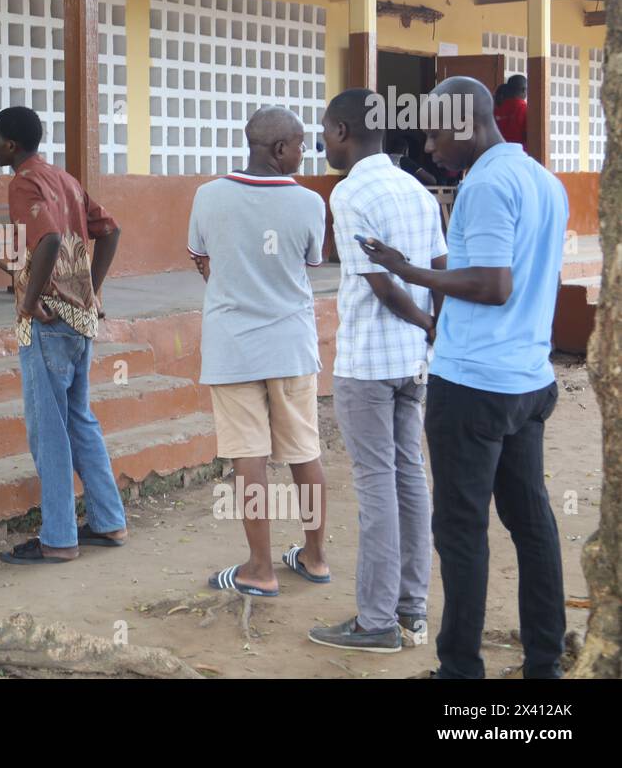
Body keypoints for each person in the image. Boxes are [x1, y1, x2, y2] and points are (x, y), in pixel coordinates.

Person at [363, 76, 569, 679]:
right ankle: (545, 665)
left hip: (474, 386)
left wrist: (405, 270)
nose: (428, 147)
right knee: (532, 523)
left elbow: (493, 284)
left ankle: (460, 674)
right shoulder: (545, 182)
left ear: (465, 124)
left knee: (460, 530)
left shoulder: (484, 184)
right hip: (528, 380)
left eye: (433, 132)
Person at [309, 89, 448, 653]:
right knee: (409, 476)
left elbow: (379, 281)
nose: (323, 144)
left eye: (325, 133)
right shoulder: (415, 187)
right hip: (413, 364)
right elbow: (439, 265)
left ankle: (375, 623)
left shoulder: (349, 193)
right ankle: (412, 612)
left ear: (342, 130)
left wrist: (422, 320)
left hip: (368, 362)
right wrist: (433, 326)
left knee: (377, 487)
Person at [188, 106, 329, 598]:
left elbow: (202, 261)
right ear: (278, 150)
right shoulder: (309, 203)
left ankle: (260, 569)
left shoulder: (208, 195)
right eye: (300, 143)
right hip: (291, 346)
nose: (306, 151)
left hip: (232, 347)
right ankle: (313, 557)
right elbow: (308, 264)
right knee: (304, 452)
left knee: (249, 458)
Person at [0, 107, 127, 565]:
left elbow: (47, 240)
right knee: (78, 419)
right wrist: (92, 287)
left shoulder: (23, 182)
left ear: (10, 145)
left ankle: (58, 539)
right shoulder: (64, 178)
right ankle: (108, 521)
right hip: (80, 317)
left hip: (47, 322)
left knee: (48, 430)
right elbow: (109, 230)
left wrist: (29, 301)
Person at [493, 73, 528, 150]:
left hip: (497, 154)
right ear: (523, 90)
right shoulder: (526, 110)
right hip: (519, 156)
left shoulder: (494, 111)